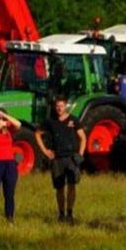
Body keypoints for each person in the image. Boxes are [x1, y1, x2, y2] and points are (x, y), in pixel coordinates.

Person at [35, 96, 86, 224]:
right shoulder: (50, 121)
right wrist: (45, 151)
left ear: (66, 106)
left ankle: (70, 213)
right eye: (57, 106)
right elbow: (37, 134)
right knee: (59, 188)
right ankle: (61, 214)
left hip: (71, 158)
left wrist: (80, 154)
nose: (59, 108)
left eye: (61, 106)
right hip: (57, 159)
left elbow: (83, 138)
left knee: (72, 185)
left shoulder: (73, 120)